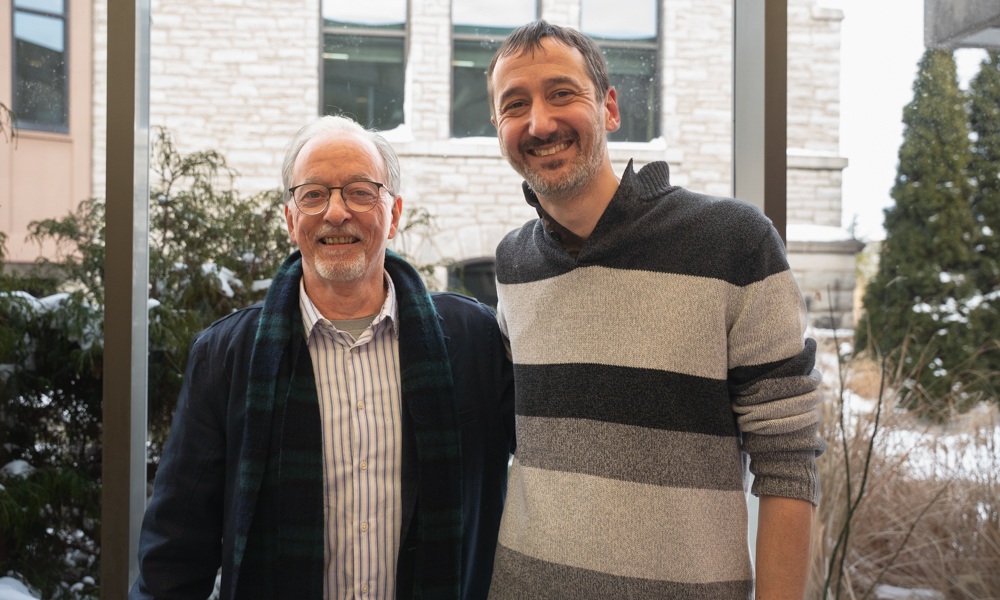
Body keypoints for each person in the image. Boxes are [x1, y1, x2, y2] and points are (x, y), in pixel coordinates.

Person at [484, 20, 825, 600]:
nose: (539, 122)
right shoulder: (513, 262)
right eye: (515, 105)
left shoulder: (734, 241)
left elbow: (788, 462)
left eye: (562, 93)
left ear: (610, 108)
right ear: (498, 128)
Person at [131, 115, 515, 600]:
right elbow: (174, 551)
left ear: (393, 214)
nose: (336, 212)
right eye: (313, 194)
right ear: (291, 219)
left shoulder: (473, 341)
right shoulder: (226, 355)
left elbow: (548, 473)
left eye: (359, 191)